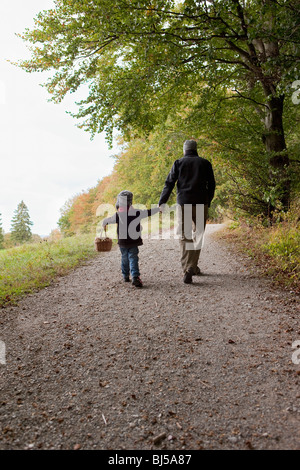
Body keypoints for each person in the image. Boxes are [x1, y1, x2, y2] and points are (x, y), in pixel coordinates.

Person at [158, 140, 216, 284]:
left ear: (184, 150)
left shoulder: (178, 163)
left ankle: (188, 268)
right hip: (201, 202)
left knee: (185, 236)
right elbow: (212, 184)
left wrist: (162, 202)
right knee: (198, 235)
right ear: (196, 150)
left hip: (184, 203)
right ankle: (193, 267)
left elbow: (169, 183)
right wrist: (208, 200)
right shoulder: (205, 163)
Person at [102, 190, 160, 288]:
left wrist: (104, 222)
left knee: (124, 259)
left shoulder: (117, 215)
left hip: (123, 243)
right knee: (133, 258)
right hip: (133, 241)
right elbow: (148, 212)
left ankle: (125, 276)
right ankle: (135, 277)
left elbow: (108, 220)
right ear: (130, 201)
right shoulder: (136, 212)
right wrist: (158, 209)